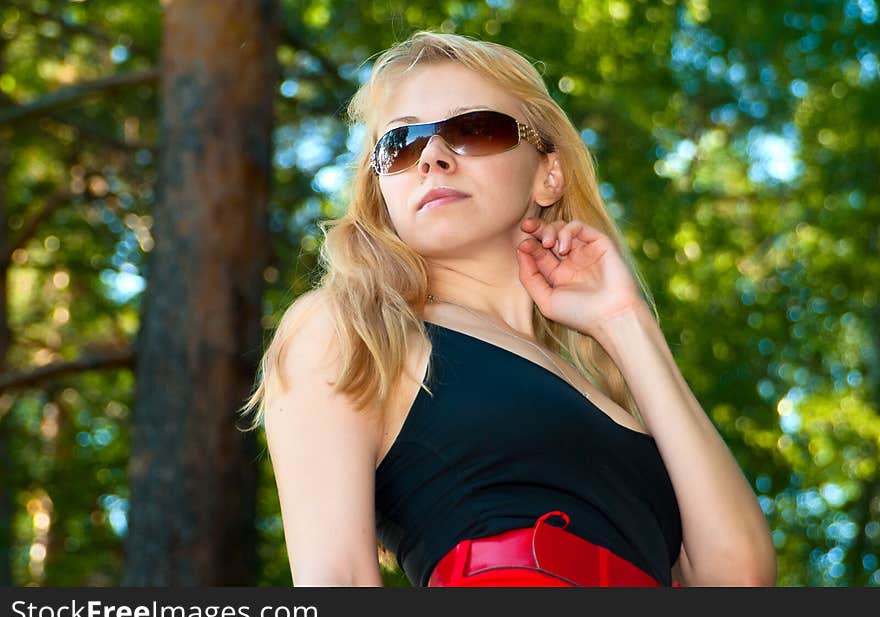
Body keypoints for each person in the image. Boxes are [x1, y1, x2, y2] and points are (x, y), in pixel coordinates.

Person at [241, 30, 777, 588]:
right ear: (382, 190)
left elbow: (740, 578)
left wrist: (625, 321)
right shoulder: (352, 327)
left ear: (549, 173)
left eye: (474, 129)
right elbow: (339, 582)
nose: (432, 158)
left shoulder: (606, 391)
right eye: (400, 145)